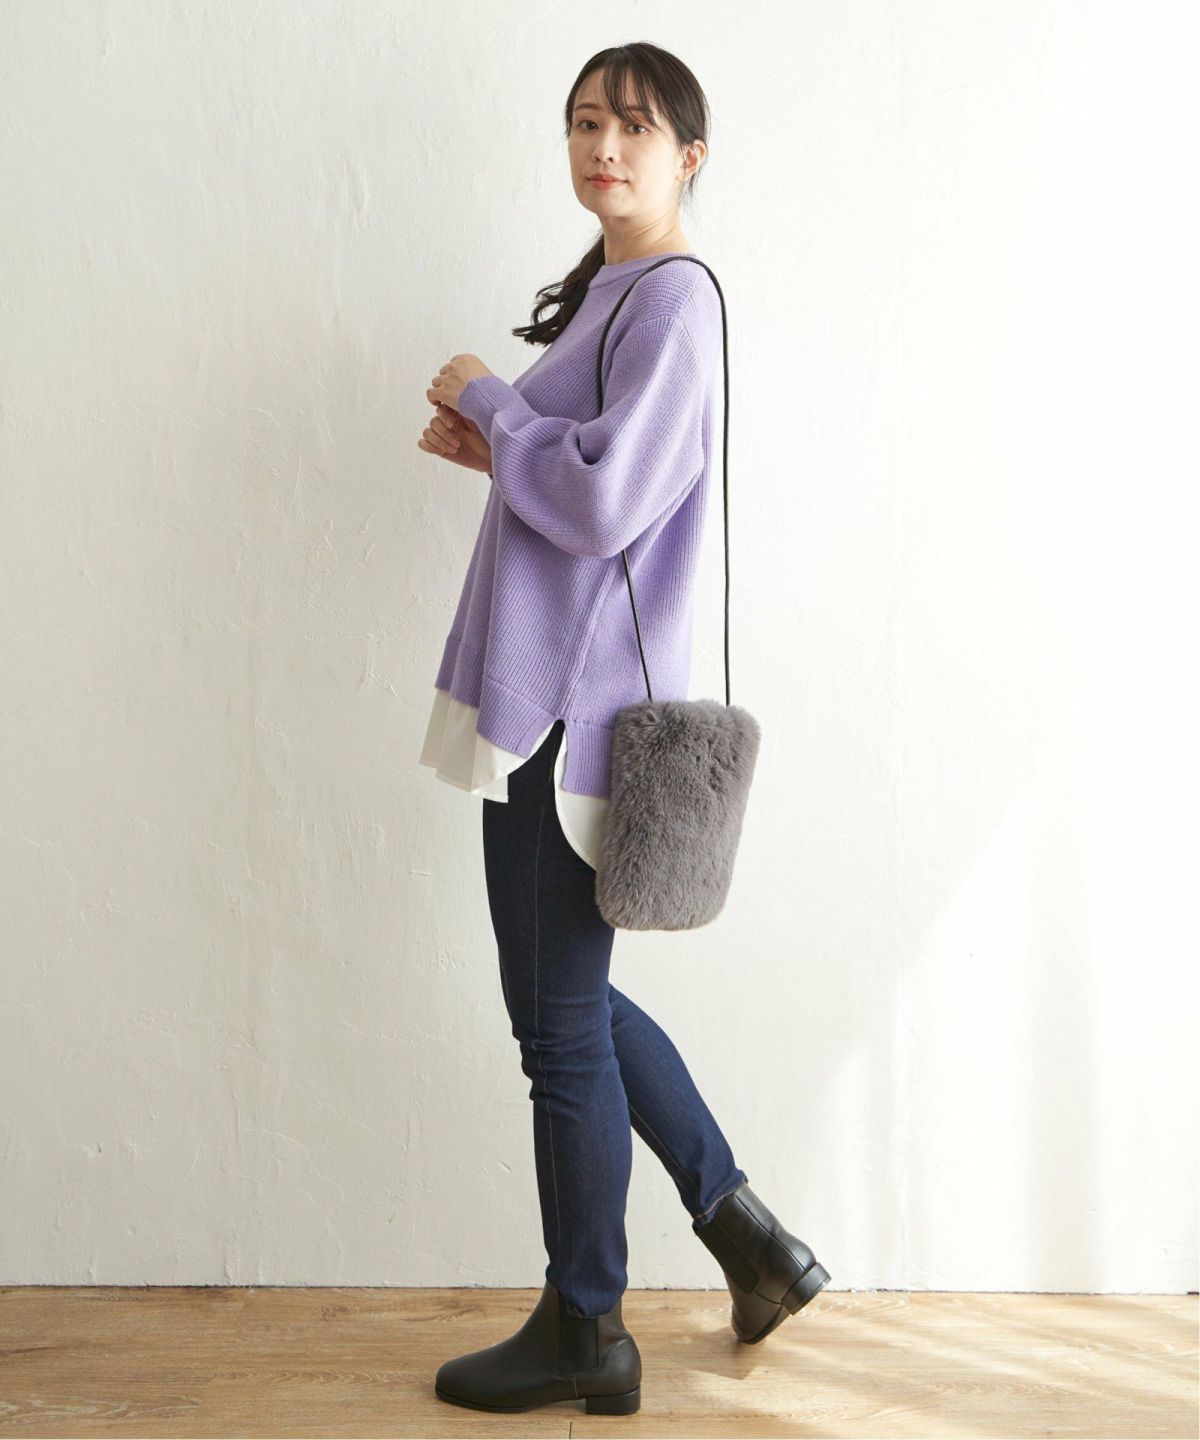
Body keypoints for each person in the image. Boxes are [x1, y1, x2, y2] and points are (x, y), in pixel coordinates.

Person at [417, 42, 830, 1417]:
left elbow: (600, 508)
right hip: (556, 696)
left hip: (570, 712)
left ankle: (587, 1326)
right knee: (571, 1004)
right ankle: (745, 1235)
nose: (604, 146)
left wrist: (492, 402)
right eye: (586, 122)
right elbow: (592, 487)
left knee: (557, 1028)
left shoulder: (673, 302)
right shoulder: (616, 292)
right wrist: (500, 450)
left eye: (635, 128)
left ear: (688, 157)